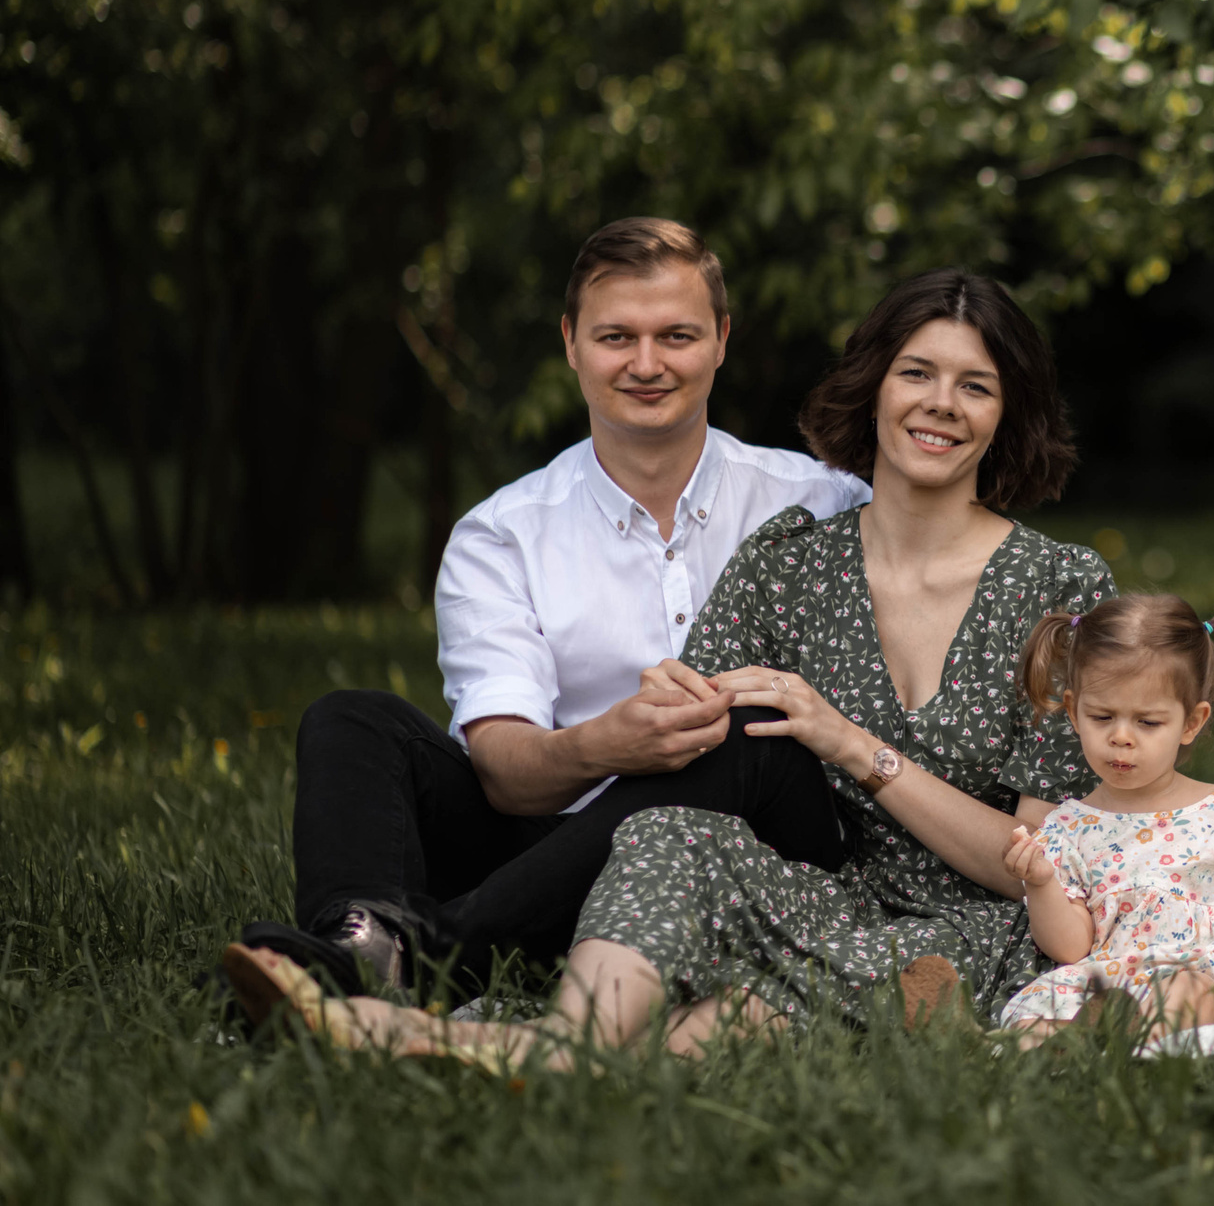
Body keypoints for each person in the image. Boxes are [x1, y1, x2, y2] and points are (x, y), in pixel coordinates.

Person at [224, 266, 1112, 1062]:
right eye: (916, 373)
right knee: (382, 723)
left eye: (975, 385)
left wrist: (850, 743)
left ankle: (440, 992)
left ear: (1009, 412)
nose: (941, 403)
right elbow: (687, 741)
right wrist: (652, 710)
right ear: (876, 384)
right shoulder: (791, 555)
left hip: (964, 915)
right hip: (776, 883)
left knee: (731, 881)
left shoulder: (1061, 589)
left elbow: (1042, 863)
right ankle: (377, 958)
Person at [237, 218, 869, 996]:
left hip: (763, 851)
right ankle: (359, 936)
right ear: (571, 342)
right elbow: (505, 773)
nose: (647, 363)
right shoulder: (502, 535)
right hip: (552, 855)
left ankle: (422, 959)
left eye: (676, 335)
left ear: (721, 340)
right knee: (352, 719)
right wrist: (607, 744)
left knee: (746, 725)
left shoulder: (824, 503)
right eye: (616, 336)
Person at [998, 593, 1214, 1039]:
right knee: (1037, 1009)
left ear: (1191, 723)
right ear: (1074, 713)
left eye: (1147, 722)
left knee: (1184, 992)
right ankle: (1072, 1040)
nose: (1121, 737)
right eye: (1101, 717)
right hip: (1106, 979)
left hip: (1198, 974)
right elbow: (1071, 948)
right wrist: (1042, 882)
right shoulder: (1068, 829)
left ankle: (1124, 1038)